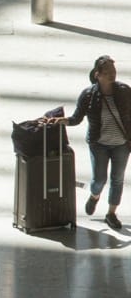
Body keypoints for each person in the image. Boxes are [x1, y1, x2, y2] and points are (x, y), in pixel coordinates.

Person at [52, 55, 131, 230]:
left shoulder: (125, 91)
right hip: (99, 144)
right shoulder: (88, 95)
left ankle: (111, 214)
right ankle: (95, 196)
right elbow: (76, 118)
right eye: (107, 72)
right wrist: (62, 121)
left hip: (122, 144)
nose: (112, 74)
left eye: (114, 71)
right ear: (97, 74)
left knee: (117, 179)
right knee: (99, 179)